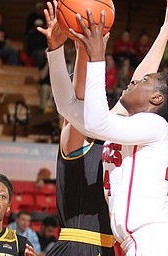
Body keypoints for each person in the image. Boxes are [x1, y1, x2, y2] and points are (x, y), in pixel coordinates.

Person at [42, 0, 168, 254]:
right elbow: (67, 107)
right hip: (142, 242)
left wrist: (95, 57)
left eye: (144, 81)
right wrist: (55, 51)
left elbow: (96, 119)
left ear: (156, 99)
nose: (133, 82)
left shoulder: (156, 126)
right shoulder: (128, 127)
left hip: (157, 241)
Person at [37, 2, 115, 255]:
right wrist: (83, 47)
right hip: (77, 246)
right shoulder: (75, 138)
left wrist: (166, 30)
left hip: (108, 248)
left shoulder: (116, 137)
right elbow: (80, 99)